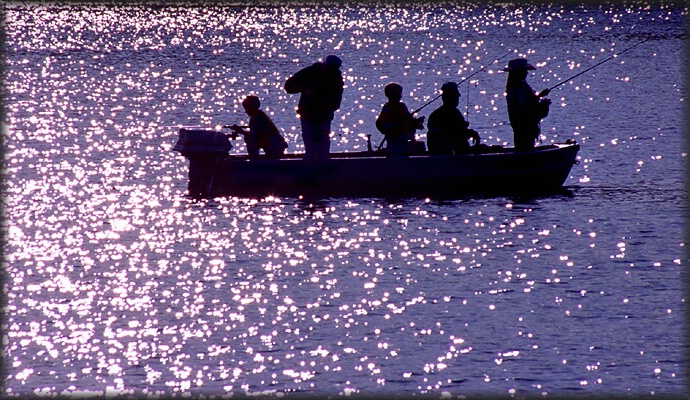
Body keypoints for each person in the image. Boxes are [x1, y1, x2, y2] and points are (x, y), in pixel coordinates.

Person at [284, 55, 344, 161]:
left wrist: (326, 105)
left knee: (324, 153)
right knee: (311, 150)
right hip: (308, 115)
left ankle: (324, 172)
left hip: (324, 117)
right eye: (329, 69)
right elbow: (288, 86)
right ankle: (310, 171)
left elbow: (336, 104)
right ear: (324, 65)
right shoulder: (310, 72)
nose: (330, 72)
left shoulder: (337, 79)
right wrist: (304, 90)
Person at [504, 58, 552, 151]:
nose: (526, 73)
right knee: (525, 146)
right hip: (524, 124)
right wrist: (543, 103)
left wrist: (540, 96)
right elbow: (527, 106)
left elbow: (526, 103)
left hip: (519, 123)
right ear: (518, 72)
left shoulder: (514, 86)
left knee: (522, 145)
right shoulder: (519, 87)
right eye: (524, 71)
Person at [427, 82, 481, 156]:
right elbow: (454, 134)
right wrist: (470, 133)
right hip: (453, 154)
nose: (457, 99)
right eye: (455, 96)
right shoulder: (452, 114)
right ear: (447, 97)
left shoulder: (434, 115)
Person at [229, 95, 287, 160]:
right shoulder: (259, 115)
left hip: (275, 146)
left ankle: (254, 160)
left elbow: (252, 136)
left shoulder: (257, 118)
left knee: (248, 139)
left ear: (251, 107)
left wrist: (241, 131)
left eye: (246, 108)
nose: (245, 111)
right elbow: (255, 133)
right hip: (278, 145)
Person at [375, 82, 425, 157]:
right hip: (394, 145)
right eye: (398, 94)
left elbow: (409, 121)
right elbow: (380, 125)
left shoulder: (402, 106)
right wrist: (394, 126)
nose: (400, 96)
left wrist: (416, 123)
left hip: (405, 143)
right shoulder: (387, 109)